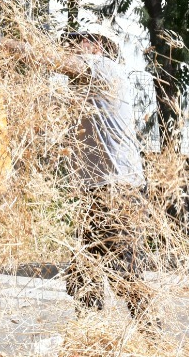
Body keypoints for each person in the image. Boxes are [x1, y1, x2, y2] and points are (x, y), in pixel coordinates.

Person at [59, 29, 152, 319]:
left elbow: (45, 57)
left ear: (94, 45)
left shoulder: (102, 69)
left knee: (124, 273)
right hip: (99, 191)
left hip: (117, 191)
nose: (69, 46)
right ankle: (87, 336)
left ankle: (153, 336)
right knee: (83, 274)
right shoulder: (84, 86)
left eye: (76, 40)